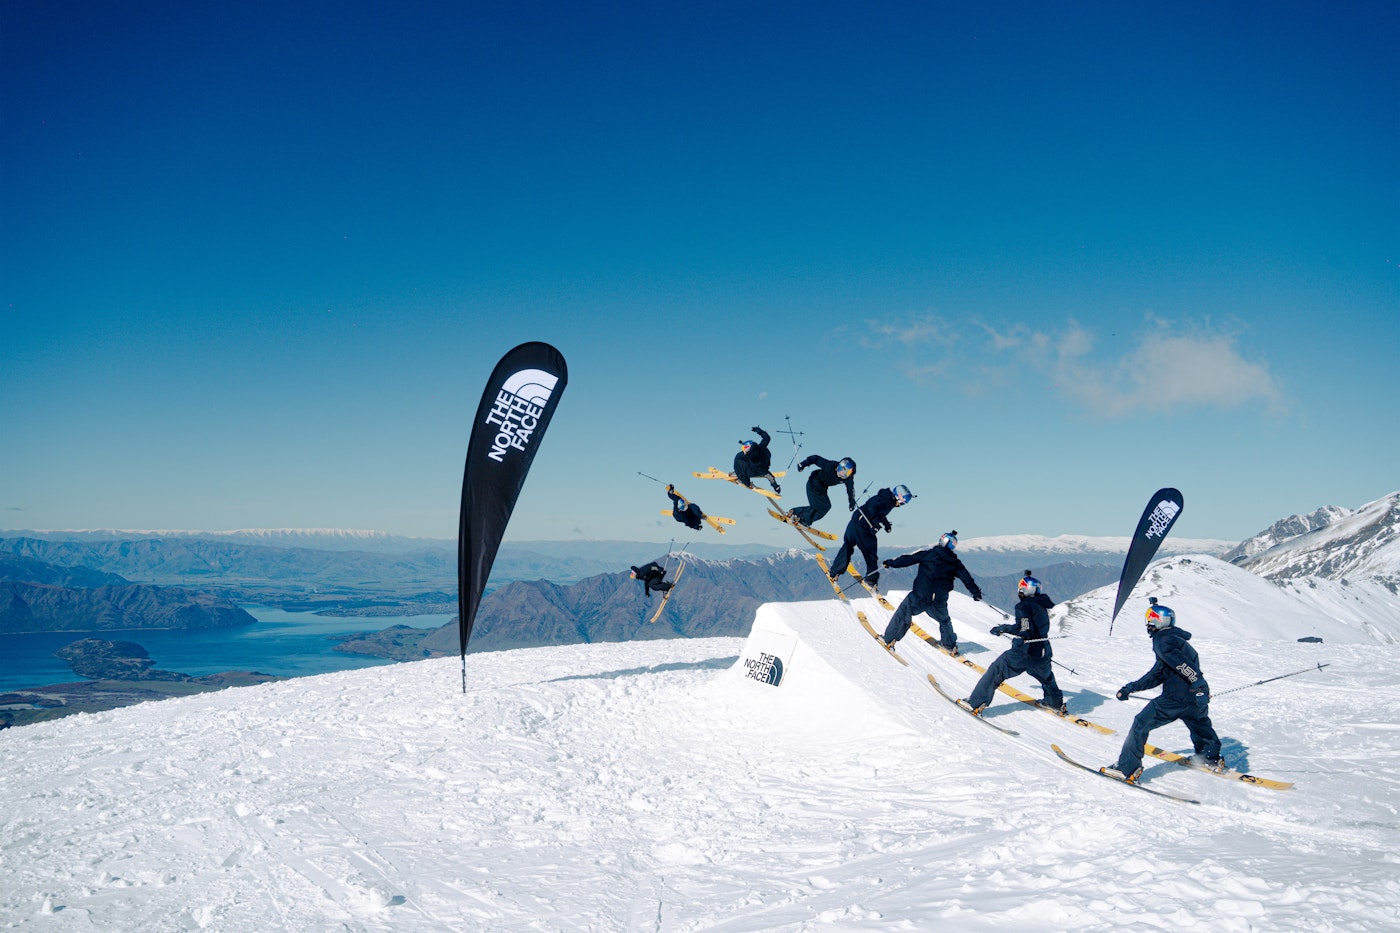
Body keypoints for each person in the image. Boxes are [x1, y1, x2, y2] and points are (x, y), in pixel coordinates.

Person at [1101, 599, 1226, 783]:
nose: (1147, 625)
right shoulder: (1174, 639)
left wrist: (1199, 685)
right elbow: (1158, 673)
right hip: (1193, 699)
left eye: (1149, 620)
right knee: (1199, 724)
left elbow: (1183, 665)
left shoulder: (1163, 640)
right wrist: (1131, 688)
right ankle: (1209, 757)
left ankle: (1126, 768)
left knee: (1141, 723)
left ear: (1157, 621)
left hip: (1175, 698)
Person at [959, 572, 1063, 715]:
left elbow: (1025, 629)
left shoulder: (1024, 606)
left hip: (1023, 652)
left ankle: (975, 702)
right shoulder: (1041, 605)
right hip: (1043, 650)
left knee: (996, 670)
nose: (1019, 591)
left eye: (1021, 588)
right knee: (1046, 677)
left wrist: (1004, 628)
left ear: (1025, 590)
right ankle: (1054, 703)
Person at [880, 530, 982, 654]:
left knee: (904, 612)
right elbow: (966, 578)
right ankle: (949, 645)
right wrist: (975, 592)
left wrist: (890, 563)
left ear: (942, 541)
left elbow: (908, 560)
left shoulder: (928, 554)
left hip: (921, 595)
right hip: (939, 598)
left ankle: (889, 640)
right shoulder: (955, 562)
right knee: (944, 620)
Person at [827, 485, 912, 589]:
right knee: (871, 554)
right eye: (904, 502)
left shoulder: (883, 497)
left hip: (853, 523)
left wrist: (886, 524)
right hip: (863, 528)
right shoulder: (887, 502)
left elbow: (877, 511)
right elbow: (873, 509)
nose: (902, 504)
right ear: (899, 497)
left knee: (847, 546)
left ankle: (834, 573)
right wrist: (875, 525)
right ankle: (871, 581)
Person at [788, 455, 856, 528]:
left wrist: (852, 502)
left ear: (850, 473)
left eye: (846, 472)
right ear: (838, 466)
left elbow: (850, 490)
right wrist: (803, 464)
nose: (841, 473)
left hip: (822, 488)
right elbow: (816, 459)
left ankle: (795, 513)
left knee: (824, 506)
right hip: (813, 483)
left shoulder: (848, 479)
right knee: (819, 507)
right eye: (840, 469)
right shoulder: (830, 466)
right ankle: (802, 519)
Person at [733, 426, 780, 494]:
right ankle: (740, 474)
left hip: (754, 471)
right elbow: (767, 438)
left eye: (745, 448)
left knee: (738, 460)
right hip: (764, 464)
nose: (744, 450)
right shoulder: (761, 447)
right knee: (740, 459)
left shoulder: (751, 460)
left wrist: (746, 483)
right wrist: (757, 430)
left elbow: (767, 475)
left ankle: (740, 476)